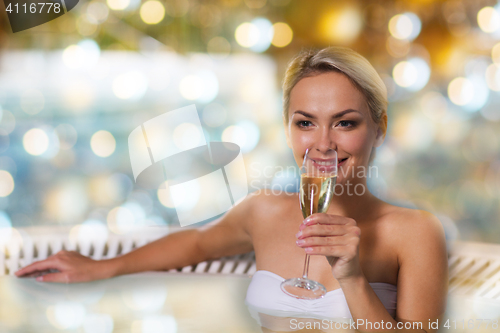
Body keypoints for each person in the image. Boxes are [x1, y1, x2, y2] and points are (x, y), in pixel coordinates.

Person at [16, 46, 448, 331]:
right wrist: (102, 267)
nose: (322, 143)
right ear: (288, 129)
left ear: (379, 128)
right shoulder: (264, 211)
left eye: (345, 122)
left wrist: (351, 277)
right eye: (305, 122)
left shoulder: (415, 232)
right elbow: (197, 243)